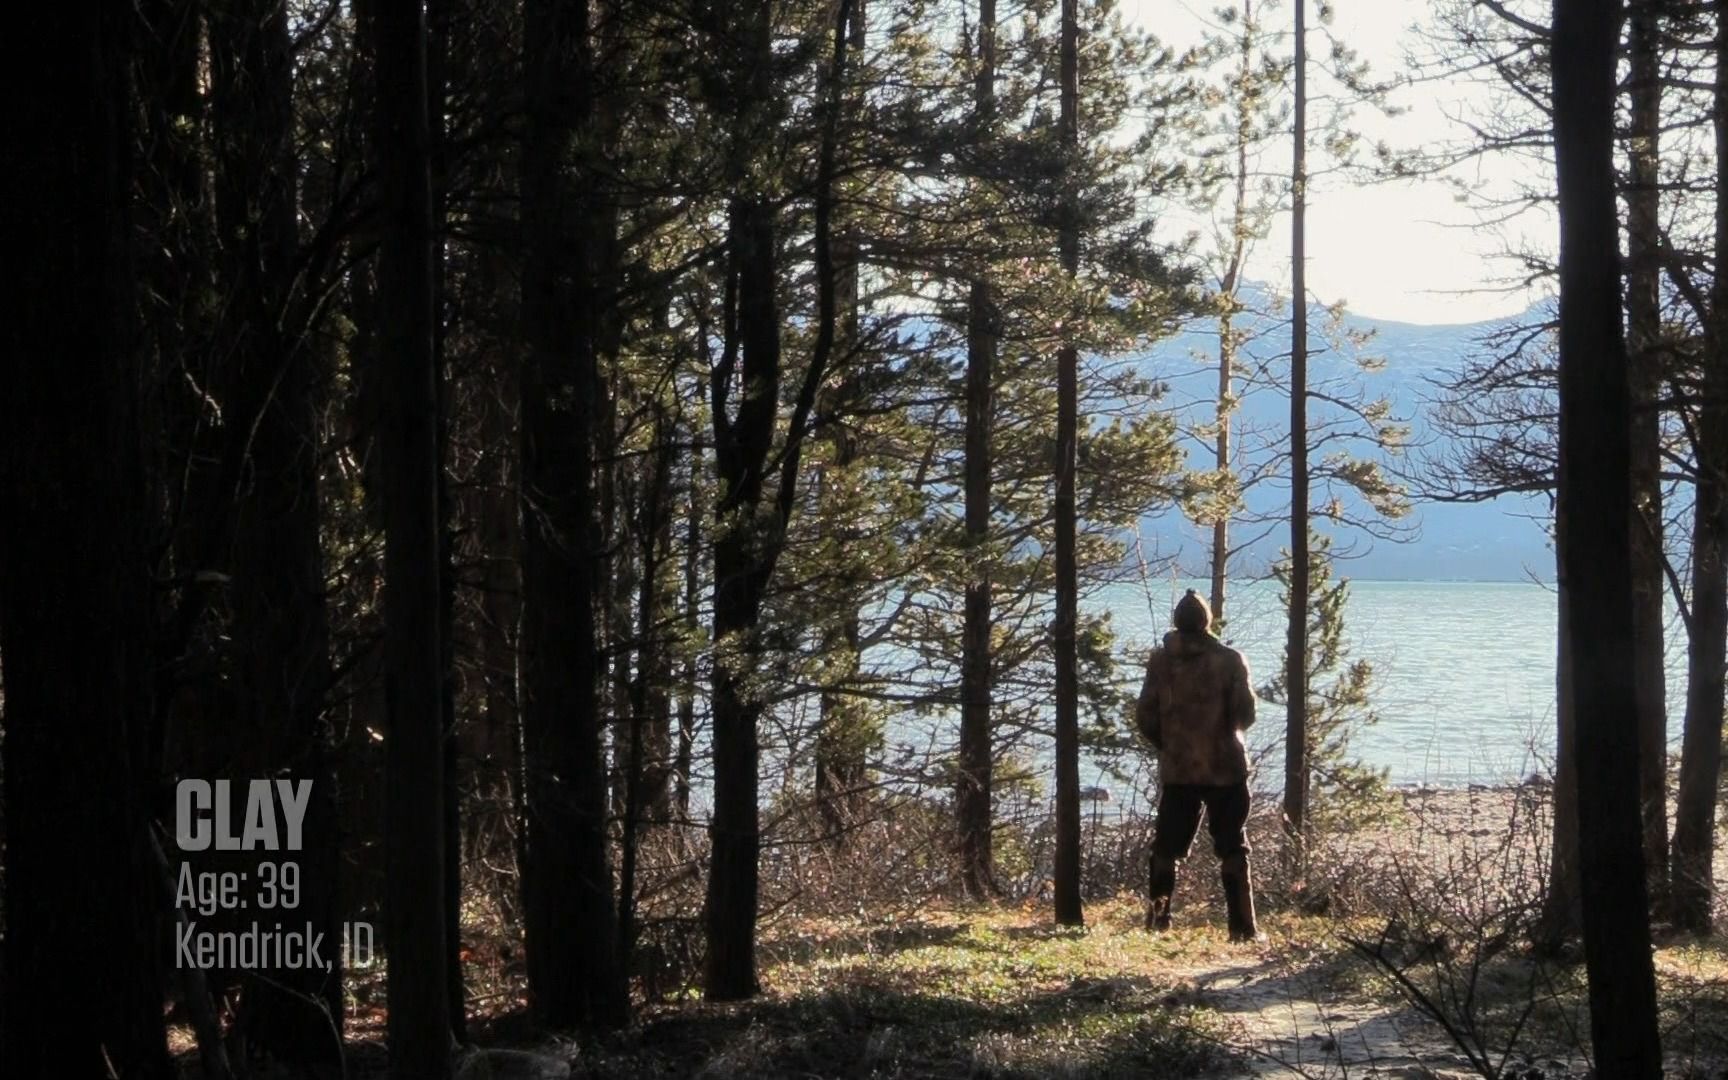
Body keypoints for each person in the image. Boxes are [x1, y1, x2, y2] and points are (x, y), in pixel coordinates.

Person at [1135, 588, 1261, 941]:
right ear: (1206, 622)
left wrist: (1171, 746)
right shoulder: (1230, 659)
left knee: (1166, 848)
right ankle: (1243, 928)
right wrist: (1221, 736)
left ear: (1177, 622)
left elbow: (1145, 715)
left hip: (1179, 770)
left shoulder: (1160, 661)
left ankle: (1157, 923)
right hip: (1226, 769)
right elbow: (1246, 714)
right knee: (1233, 847)